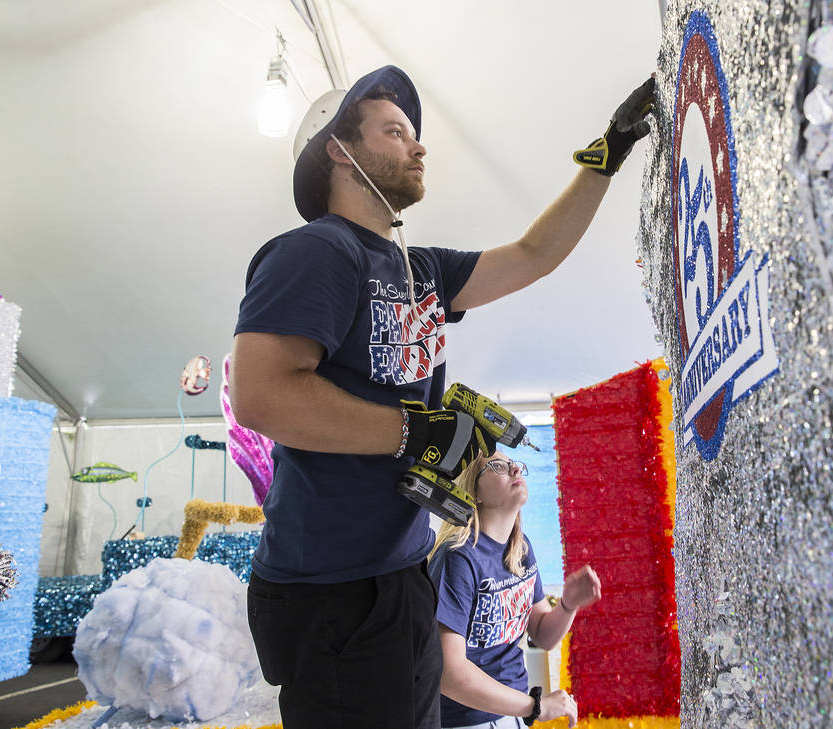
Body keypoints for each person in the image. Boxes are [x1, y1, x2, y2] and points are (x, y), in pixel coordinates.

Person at [229, 64, 654, 729]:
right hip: (332, 590)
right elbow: (259, 395)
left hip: (401, 572)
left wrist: (609, 151)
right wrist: (412, 432)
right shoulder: (315, 252)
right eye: (394, 131)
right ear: (340, 152)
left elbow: (535, 254)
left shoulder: (418, 267)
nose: (418, 145)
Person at [429, 451, 602, 728]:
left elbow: (543, 634)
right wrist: (534, 706)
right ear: (475, 492)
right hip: (465, 721)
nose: (515, 470)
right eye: (497, 466)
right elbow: (449, 673)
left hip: (514, 715)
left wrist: (568, 605)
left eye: (515, 465)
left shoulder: (520, 550)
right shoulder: (458, 559)